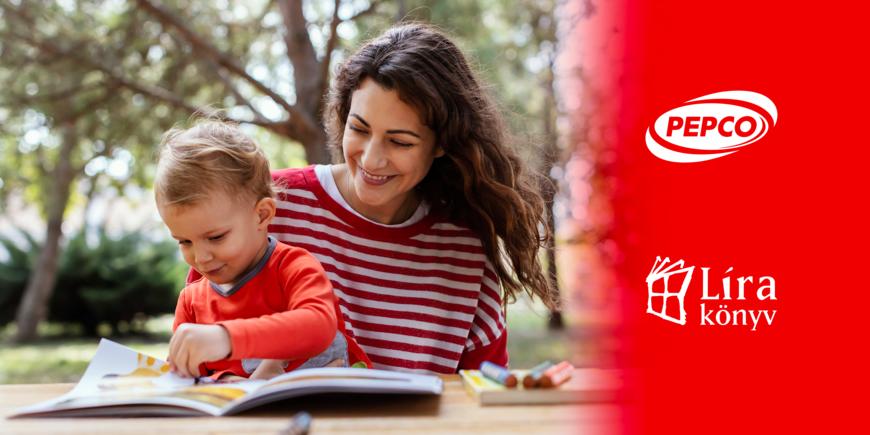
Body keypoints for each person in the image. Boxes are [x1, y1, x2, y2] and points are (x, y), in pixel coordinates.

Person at [189, 23, 557, 374]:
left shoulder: (464, 250)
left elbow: (482, 395)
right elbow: (196, 350)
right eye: (359, 129)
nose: (371, 159)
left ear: (443, 143)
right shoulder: (268, 208)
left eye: (399, 142)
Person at [155, 119, 370, 380]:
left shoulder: (293, 267)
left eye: (216, 237)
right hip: (250, 419)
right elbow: (186, 377)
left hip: (337, 412)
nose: (200, 258)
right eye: (184, 241)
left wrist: (225, 339)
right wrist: (225, 382)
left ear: (262, 215)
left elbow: (318, 325)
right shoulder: (192, 302)